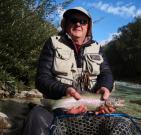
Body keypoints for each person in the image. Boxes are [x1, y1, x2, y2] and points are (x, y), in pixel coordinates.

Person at [22, 7, 115, 135]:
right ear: (65, 24)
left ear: (88, 27)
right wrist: (65, 90)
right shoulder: (53, 43)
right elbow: (41, 79)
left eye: (83, 21)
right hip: (59, 108)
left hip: (91, 110)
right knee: (36, 117)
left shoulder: (97, 47)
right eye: (74, 20)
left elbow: (106, 73)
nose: (78, 24)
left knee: (118, 123)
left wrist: (104, 87)